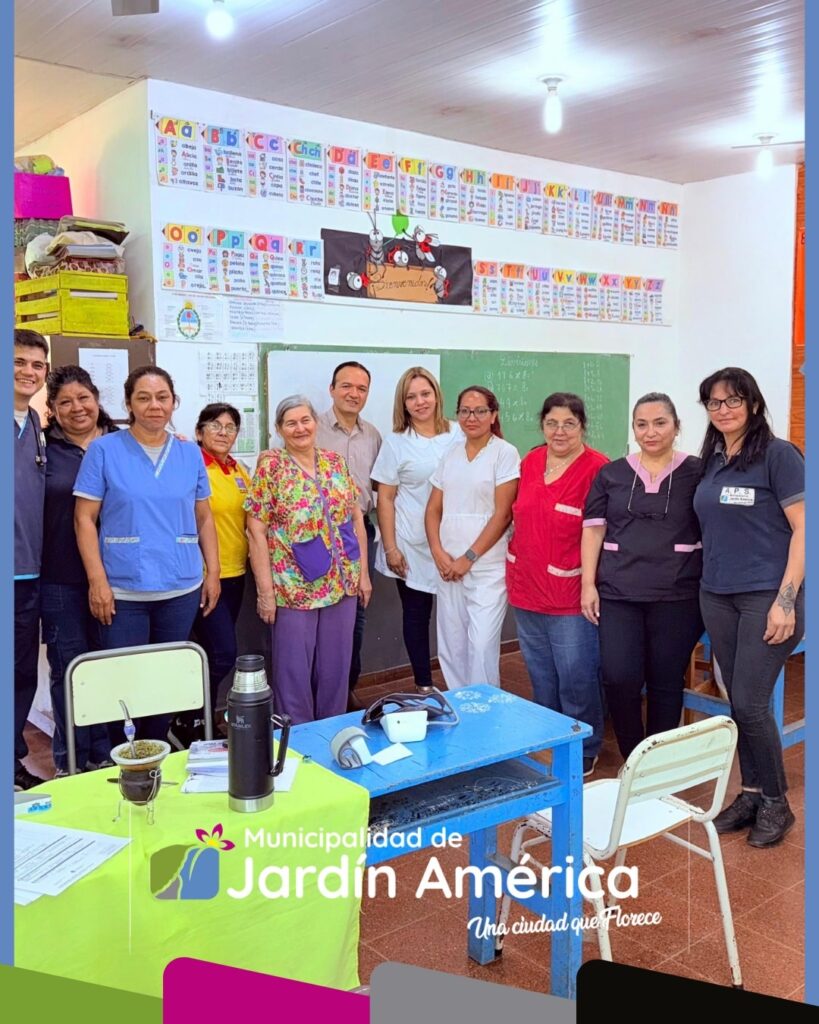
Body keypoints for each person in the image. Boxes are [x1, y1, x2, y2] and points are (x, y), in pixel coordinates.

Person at [73, 366, 220, 742]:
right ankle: (127, 756)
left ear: (174, 403)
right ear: (128, 404)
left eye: (162, 397)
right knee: (124, 682)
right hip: (123, 591)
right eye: (143, 397)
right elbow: (84, 520)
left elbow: (204, 517)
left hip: (180, 587)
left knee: (167, 682)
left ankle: (155, 749)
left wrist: (213, 573)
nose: (154, 405)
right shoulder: (104, 451)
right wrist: (97, 582)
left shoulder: (189, 454)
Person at [693, 367, 804, 848]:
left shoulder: (779, 455)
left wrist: (786, 600)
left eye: (733, 400)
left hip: (766, 595)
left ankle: (777, 802)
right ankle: (752, 791)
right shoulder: (714, 458)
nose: (723, 410)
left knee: (751, 703)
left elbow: (805, 528)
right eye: (714, 403)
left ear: (753, 404)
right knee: (737, 701)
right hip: (717, 594)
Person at [581, 393, 704, 765]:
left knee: (666, 680)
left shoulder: (699, 472)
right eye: (642, 424)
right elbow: (593, 530)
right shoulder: (612, 473)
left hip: (678, 593)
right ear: (633, 428)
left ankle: (658, 763)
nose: (650, 432)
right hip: (619, 592)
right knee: (619, 676)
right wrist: (588, 583)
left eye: (660, 423)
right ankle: (633, 756)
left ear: (676, 426)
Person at [245, 395, 372, 724]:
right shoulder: (271, 466)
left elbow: (355, 518)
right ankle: (296, 739)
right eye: (291, 423)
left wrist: (363, 576)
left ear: (316, 422)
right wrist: (265, 592)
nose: (300, 428)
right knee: (293, 671)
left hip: (341, 581)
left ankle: (331, 731)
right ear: (279, 429)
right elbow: (255, 531)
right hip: (293, 586)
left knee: (336, 666)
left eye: (305, 420)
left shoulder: (334, 462)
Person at [508, 393, 608, 776]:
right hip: (527, 587)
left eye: (569, 423)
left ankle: (584, 747)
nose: (560, 431)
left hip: (570, 593)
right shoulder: (531, 460)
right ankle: (549, 739)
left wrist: (589, 584)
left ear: (582, 426)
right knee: (541, 675)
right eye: (552, 423)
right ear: (542, 425)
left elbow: (600, 532)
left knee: (577, 677)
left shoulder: (597, 468)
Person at [41, 365, 118, 775]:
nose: (77, 408)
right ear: (52, 409)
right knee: (70, 670)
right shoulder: (42, 451)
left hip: (122, 581)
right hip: (61, 579)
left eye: (83, 398)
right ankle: (71, 762)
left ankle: (106, 756)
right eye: (65, 402)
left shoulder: (123, 444)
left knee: (108, 667)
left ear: (97, 399)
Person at [371, 367, 462, 691]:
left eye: (425, 393)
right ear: (403, 404)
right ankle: (424, 683)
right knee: (416, 614)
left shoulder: (459, 433)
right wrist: (391, 547)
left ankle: (463, 681)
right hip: (411, 542)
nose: (420, 401)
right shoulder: (396, 442)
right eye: (411, 397)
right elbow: (386, 497)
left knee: (457, 616)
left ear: (437, 395)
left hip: (456, 543)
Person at [425, 385, 519, 689]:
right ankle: (460, 709)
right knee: (452, 646)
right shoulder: (451, 453)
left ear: (493, 415)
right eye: (465, 411)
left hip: (486, 566)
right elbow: (432, 510)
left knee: (480, 646)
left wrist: (469, 558)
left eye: (480, 411)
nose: (471, 417)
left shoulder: (505, 453)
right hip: (447, 566)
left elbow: (503, 514)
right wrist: (438, 552)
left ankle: (487, 713)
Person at [170, 403, 253, 748]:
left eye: (231, 426)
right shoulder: (189, 463)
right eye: (215, 425)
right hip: (205, 576)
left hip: (236, 574)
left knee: (208, 652)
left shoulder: (239, 470)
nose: (223, 432)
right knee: (220, 653)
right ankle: (185, 718)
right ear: (200, 431)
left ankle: (196, 721)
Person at [316, 361, 381, 704]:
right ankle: (320, 691)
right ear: (332, 389)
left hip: (359, 534)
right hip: (317, 537)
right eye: (346, 386)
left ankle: (346, 688)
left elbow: (379, 490)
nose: (354, 394)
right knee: (321, 613)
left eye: (361, 389)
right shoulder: (312, 429)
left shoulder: (373, 435)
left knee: (357, 612)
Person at [13, 329, 49, 790]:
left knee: (21, 673)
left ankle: (13, 761)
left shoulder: (35, 425)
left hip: (30, 573)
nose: (28, 371)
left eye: (37, 365)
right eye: (19, 361)